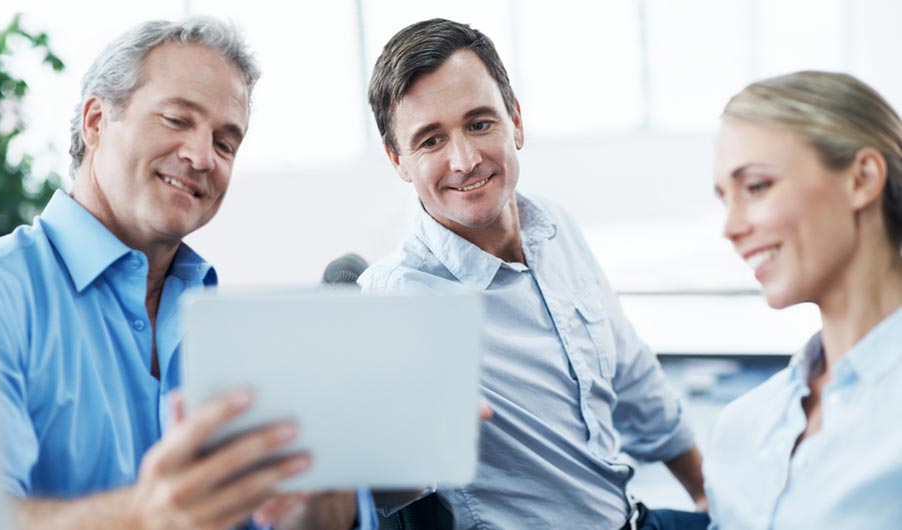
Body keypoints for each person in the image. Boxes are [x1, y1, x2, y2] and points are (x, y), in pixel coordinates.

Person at [0, 17, 375, 530]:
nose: (201, 157)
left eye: (225, 142)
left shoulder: (233, 328)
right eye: (177, 120)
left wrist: (324, 509)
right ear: (95, 121)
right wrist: (142, 516)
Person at [361, 18, 710, 530]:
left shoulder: (554, 227)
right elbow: (377, 489)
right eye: (431, 140)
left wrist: (706, 495)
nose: (464, 160)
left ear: (516, 122)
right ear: (399, 161)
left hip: (632, 517)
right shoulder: (396, 300)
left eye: (479, 124)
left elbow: (633, 378)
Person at [707, 71, 902, 529]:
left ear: (862, 178)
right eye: (724, 198)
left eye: (756, 187)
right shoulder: (742, 426)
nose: (731, 228)